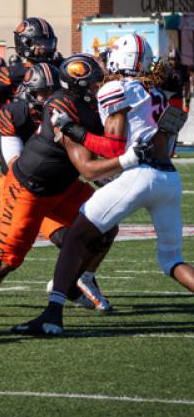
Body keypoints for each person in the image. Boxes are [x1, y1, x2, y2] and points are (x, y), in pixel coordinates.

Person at [0, 54, 133, 330]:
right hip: (30, 187)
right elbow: (95, 161)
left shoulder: (86, 103)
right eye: (92, 85)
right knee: (5, 258)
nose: (97, 89)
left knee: (105, 225)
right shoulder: (60, 106)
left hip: (63, 186)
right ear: (76, 87)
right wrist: (127, 157)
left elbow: (110, 142)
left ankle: (71, 282)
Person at [21, 36, 194, 336]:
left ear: (120, 60)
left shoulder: (117, 89)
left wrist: (76, 131)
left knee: (75, 236)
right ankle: (65, 300)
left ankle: (52, 314)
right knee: (172, 260)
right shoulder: (155, 93)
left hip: (139, 174)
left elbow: (114, 149)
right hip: (169, 178)